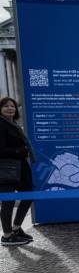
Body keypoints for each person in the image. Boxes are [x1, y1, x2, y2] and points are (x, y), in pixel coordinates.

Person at [0, 97, 35, 246]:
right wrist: (21, 151)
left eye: (12, 106)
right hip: (6, 168)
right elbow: (1, 150)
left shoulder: (14, 124)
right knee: (8, 201)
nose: (10, 108)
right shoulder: (1, 124)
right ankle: (7, 236)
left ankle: (16, 228)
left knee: (29, 194)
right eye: (6, 106)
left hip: (20, 167)